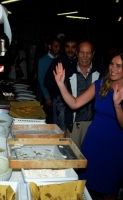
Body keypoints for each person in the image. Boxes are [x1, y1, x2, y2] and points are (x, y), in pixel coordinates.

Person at [53, 50, 123, 200]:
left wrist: (117, 106)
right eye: (112, 64)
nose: (113, 69)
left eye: (118, 66)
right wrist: (61, 85)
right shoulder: (100, 85)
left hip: (116, 149)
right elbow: (74, 103)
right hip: (93, 143)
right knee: (83, 187)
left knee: (109, 191)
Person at [53, 41, 106, 149]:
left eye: (88, 53)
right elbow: (61, 102)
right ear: (77, 53)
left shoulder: (101, 72)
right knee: (72, 157)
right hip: (73, 125)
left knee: (91, 159)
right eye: (82, 52)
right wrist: (63, 126)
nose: (85, 56)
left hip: (94, 124)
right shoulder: (68, 72)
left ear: (93, 54)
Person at [44, 36, 78, 124]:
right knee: (58, 127)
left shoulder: (80, 62)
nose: (70, 50)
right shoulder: (58, 61)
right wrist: (59, 91)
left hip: (76, 99)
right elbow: (47, 81)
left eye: (73, 47)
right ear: (64, 47)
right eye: (67, 47)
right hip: (59, 100)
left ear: (77, 48)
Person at [37, 36, 61, 123]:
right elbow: (41, 78)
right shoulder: (42, 60)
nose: (58, 49)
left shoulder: (61, 58)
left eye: (59, 47)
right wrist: (47, 97)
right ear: (49, 46)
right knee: (46, 117)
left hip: (58, 93)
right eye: (55, 46)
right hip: (47, 93)